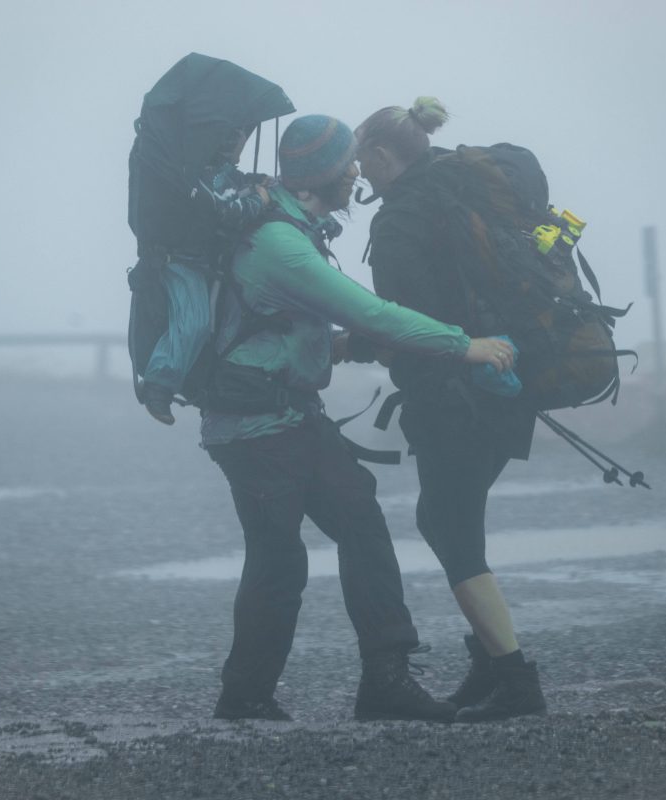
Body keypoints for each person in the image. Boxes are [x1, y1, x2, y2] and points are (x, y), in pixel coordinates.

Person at [201, 113, 518, 722]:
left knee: (362, 524)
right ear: (321, 175)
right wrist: (464, 344)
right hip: (253, 423)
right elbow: (374, 312)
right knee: (279, 557)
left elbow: (309, 323)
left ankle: (386, 682)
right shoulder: (280, 245)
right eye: (346, 163)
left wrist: (346, 344)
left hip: (291, 412)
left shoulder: (296, 230)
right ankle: (243, 697)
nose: (355, 171)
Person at [344, 97, 548, 722]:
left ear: (382, 154)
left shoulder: (404, 218)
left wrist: (352, 342)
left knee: (452, 528)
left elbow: (412, 323)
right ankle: (490, 665)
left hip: (456, 397)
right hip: (512, 380)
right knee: (446, 519)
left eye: (361, 160)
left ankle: (517, 683)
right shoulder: (460, 190)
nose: (358, 175)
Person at [140, 127, 275, 425]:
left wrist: (260, 184)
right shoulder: (195, 175)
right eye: (238, 133)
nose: (243, 140)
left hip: (207, 265)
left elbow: (237, 185)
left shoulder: (222, 172)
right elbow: (225, 210)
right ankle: (158, 386)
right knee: (195, 324)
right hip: (181, 262)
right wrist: (260, 201)